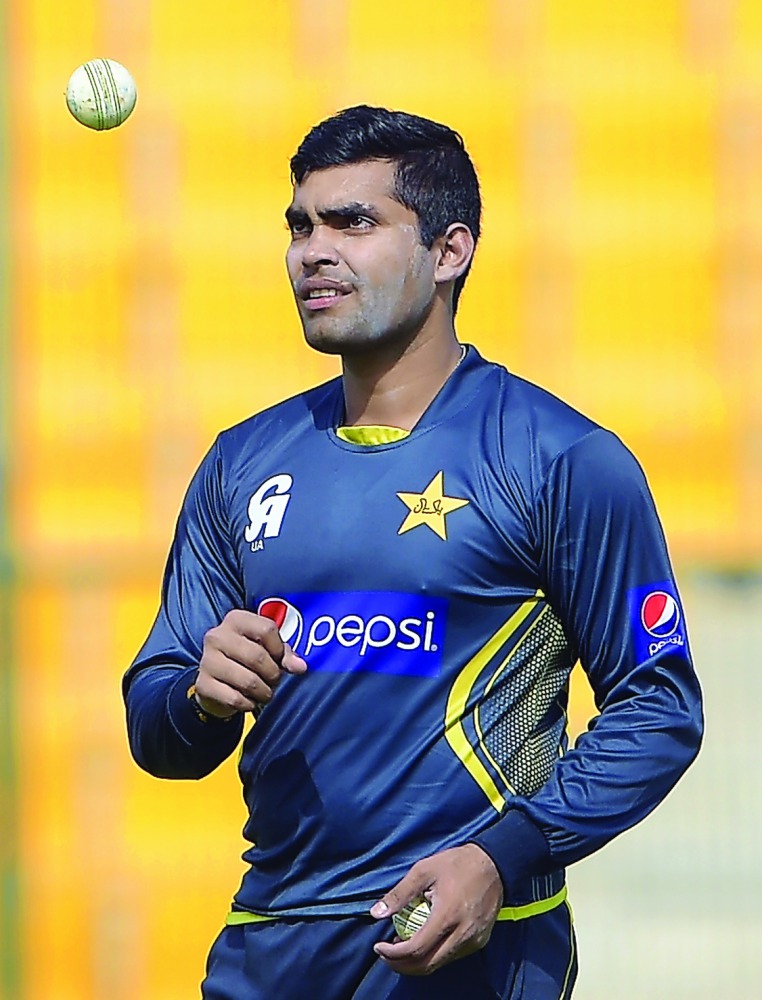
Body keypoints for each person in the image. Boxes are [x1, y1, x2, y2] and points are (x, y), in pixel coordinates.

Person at [123, 105, 703, 999]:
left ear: (449, 252)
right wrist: (199, 695)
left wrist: (504, 856)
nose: (313, 250)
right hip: (269, 943)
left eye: (353, 222)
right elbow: (157, 730)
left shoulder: (558, 458)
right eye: (300, 225)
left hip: (470, 946)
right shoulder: (241, 464)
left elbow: (657, 707)